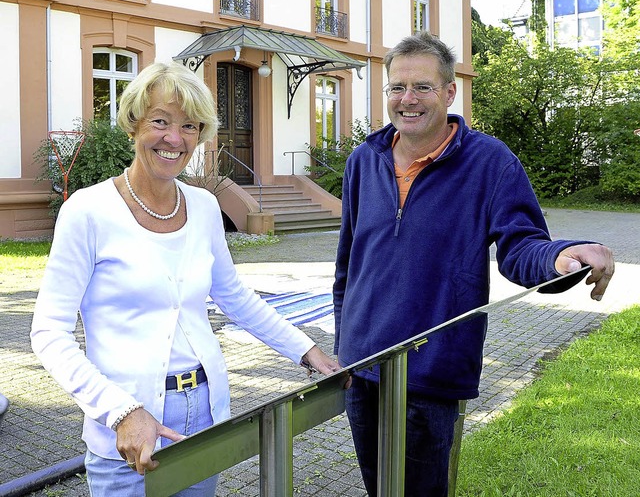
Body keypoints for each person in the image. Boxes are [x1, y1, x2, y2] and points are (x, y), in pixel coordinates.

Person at [31, 62, 342, 497]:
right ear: (133, 124)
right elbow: (48, 333)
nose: (175, 138)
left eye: (190, 126)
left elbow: (234, 295)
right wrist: (120, 411)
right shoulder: (88, 211)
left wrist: (306, 351)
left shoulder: (203, 206)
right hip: (128, 424)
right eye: (160, 121)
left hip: (204, 414)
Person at [332, 32, 615, 497]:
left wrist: (563, 257)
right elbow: (347, 265)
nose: (407, 99)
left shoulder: (489, 163)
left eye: (422, 87)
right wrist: (345, 344)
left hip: (433, 371)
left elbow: (523, 247)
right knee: (378, 489)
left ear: (448, 92)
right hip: (362, 366)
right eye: (396, 87)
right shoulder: (364, 160)